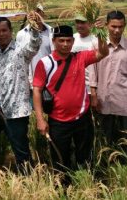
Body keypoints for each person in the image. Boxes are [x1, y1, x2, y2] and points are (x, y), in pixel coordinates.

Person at [33, 23, 108, 178]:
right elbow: (37, 91)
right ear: (54, 41)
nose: (66, 44)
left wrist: (100, 34)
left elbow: (103, 53)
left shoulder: (80, 57)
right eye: (61, 41)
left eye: (68, 40)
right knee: (60, 160)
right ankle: (63, 188)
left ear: (73, 42)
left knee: (85, 156)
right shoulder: (45, 63)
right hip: (58, 121)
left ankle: (86, 184)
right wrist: (40, 119)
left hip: (83, 118)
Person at [0, 15, 42, 178]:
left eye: (4, 30)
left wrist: (34, 26)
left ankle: (28, 184)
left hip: (16, 112)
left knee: (21, 152)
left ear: (11, 31)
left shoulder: (22, 50)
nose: (1, 34)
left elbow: (35, 44)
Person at [89, 11, 127, 149]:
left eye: (120, 26)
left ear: (125, 26)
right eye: (113, 26)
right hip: (104, 98)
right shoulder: (97, 45)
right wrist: (93, 94)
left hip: (125, 98)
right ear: (107, 25)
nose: (117, 30)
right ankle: (108, 164)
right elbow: (93, 72)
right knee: (106, 136)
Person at [16, 5, 54, 91]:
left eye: (37, 11)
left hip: (49, 80)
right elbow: (19, 58)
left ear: (43, 14)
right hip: (29, 83)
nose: (33, 14)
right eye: (31, 11)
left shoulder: (52, 32)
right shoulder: (21, 34)